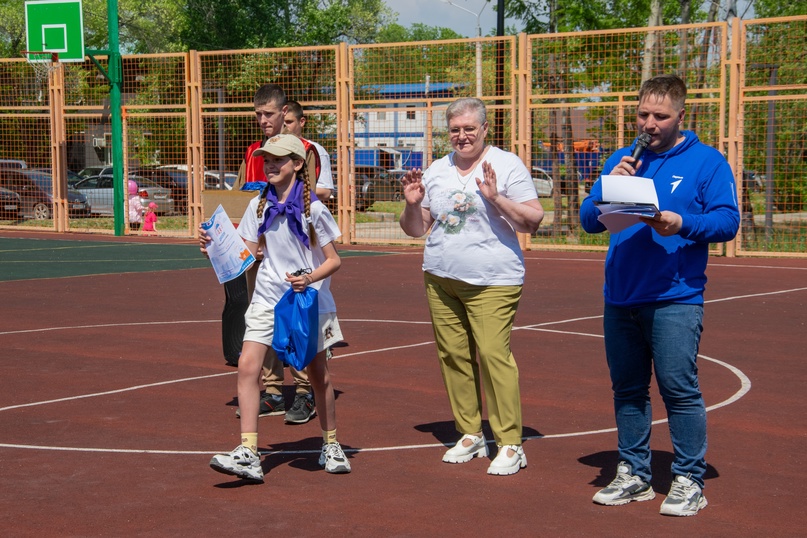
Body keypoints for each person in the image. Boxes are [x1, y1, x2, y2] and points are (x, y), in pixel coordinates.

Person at [579, 74, 740, 516]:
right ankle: (634, 474)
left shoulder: (708, 162)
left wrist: (681, 222)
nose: (648, 124)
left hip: (675, 296)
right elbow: (588, 221)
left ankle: (689, 478)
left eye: (659, 116)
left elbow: (727, 222)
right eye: (642, 114)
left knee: (678, 389)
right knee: (628, 390)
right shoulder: (623, 158)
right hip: (621, 296)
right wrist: (608, 187)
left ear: (681, 116)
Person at [399, 97, 544, 476]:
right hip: (441, 276)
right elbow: (417, 228)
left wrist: (496, 198)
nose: (462, 136)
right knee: (453, 357)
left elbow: (532, 220)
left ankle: (510, 441)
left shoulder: (507, 164)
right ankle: (469, 432)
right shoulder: (436, 169)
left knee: (494, 355)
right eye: (455, 130)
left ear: (483, 129)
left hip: (493, 280)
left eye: (469, 129)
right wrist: (413, 205)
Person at [207, 134, 349, 482]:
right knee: (246, 366)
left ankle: (330, 443)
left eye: (279, 160)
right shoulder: (260, 205)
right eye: (267, 159)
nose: (270, 165)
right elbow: (245, 253)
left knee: (318, 375)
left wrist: (308, 278)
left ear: (297, 164)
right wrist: (212, 244)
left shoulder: (314, 208)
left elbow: (334, 261)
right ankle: (249, 452)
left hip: (306, 301)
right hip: (268, 298)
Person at [283, 99, 334, 201]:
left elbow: (325, 192)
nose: (284, 125)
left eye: (289, 122)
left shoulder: (314, 150)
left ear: (301, 122)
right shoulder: (267, 149)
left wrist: (287, 191)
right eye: (281, 121)